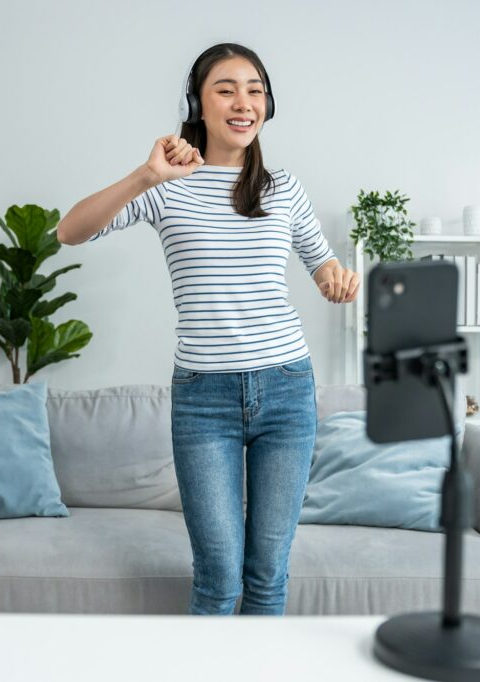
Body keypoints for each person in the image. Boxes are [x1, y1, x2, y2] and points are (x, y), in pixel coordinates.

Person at [57, 43, 360, 615]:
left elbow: (324, 270)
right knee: (219, 577)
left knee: (267, 575)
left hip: (287, 390)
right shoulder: (167, 186)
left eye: (255, 89)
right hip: (204, 400)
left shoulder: (284, 189)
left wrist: (339, 280)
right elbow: (69, 232)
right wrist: (147, 173)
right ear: (197, 102)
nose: (243, 102)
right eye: (226, 89)